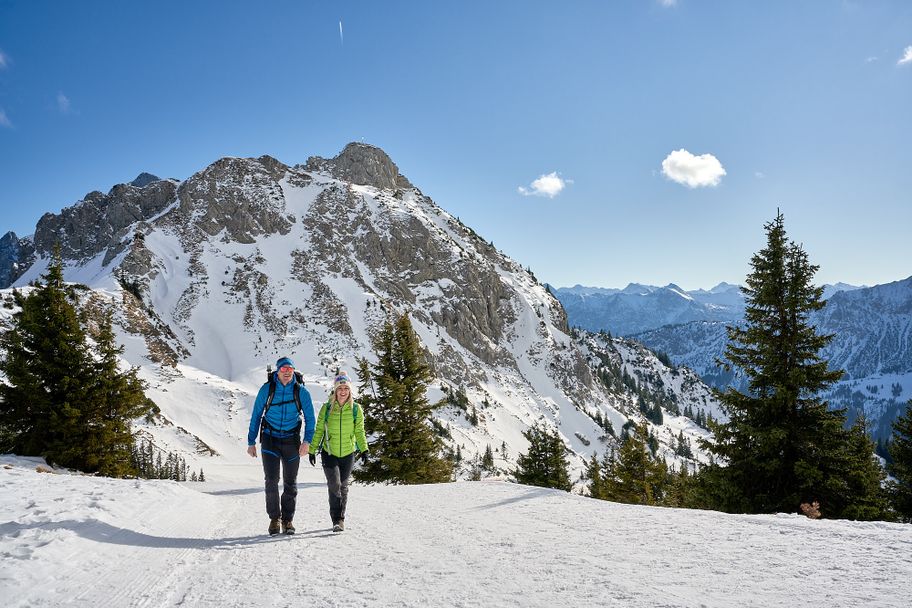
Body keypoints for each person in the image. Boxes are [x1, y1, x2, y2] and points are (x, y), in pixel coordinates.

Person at [247, 356, 315, 536]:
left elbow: (310, 419)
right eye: (283, 369)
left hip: (292, 440)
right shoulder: (267, 389)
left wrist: (307, 441)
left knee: (290, 482)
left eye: (289, 369)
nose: (286, 372)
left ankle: (288, 520)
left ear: (293, 371)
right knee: (271, 480)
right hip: (270, 439)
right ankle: (274, 519)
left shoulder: (301, 392)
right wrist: (251, 442)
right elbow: (256, 415)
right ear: (277, 371)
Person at [308, 370, 368, 532]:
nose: (343, 391)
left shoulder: (356, 409)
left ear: (350, 390)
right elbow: (319, 430)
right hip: (329, 452)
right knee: (334, 484)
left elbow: (359, 431)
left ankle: (341, 518)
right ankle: (336, 519)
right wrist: (312, 450)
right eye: (340, 388)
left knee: (343, 486)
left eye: (346, 388)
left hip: (348, 453)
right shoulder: (327, 408)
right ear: (335, 390)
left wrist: (364, 449)